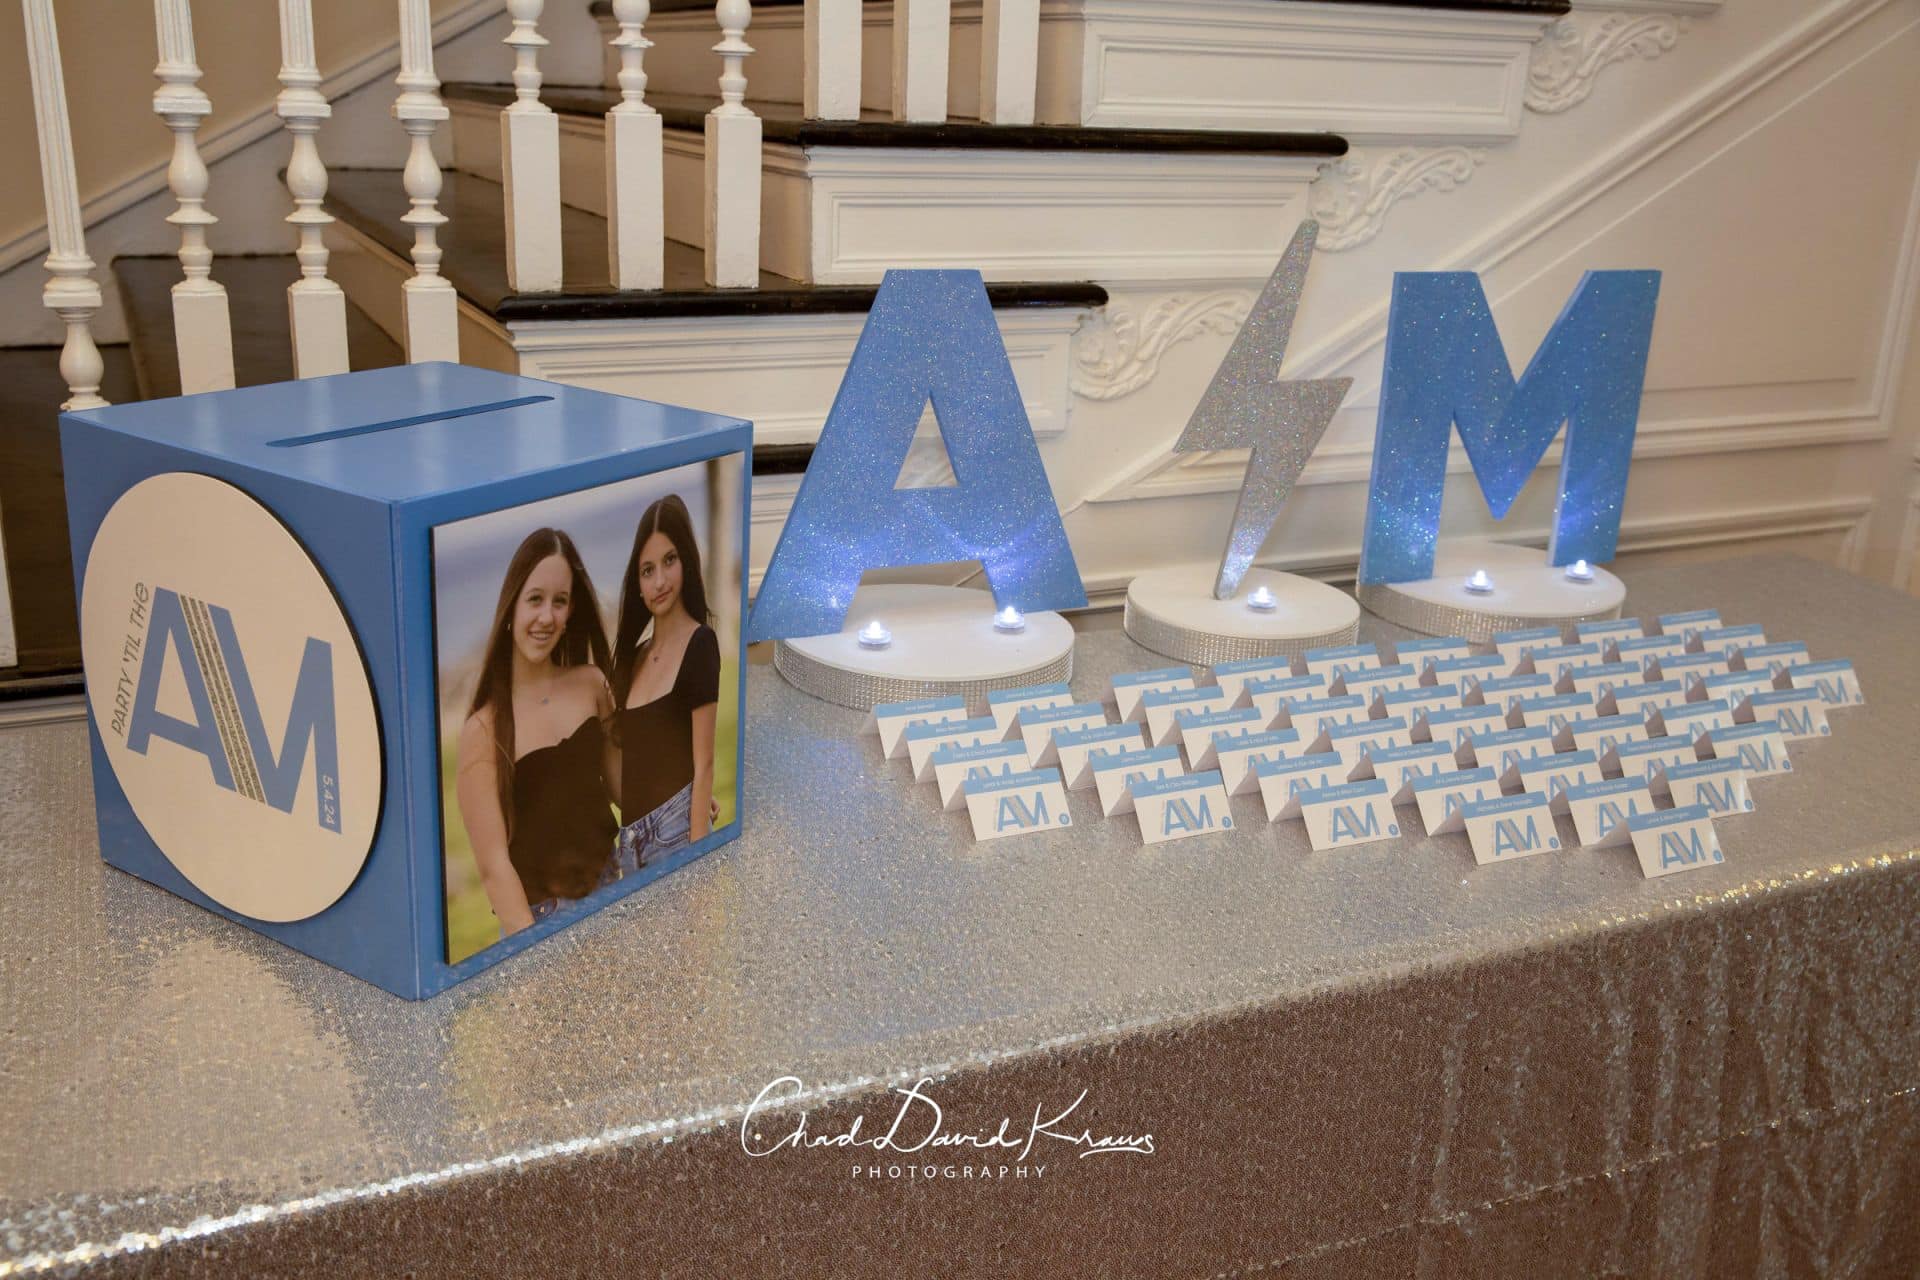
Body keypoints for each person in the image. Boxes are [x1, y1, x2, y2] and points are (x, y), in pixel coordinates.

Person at [456, 528, 618, 938]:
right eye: (535, 599)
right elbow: (494, 869)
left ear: (570, 613)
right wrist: (538, 955)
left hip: (616, 889)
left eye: (559, 602)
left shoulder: (592, 685)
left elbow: (627, 790)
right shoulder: (483, 730)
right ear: (511, 607)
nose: (546, 616)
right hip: (542, 923)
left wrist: (687, 795)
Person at [611, 494, 720, 874]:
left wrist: (698, 869)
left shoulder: (700, 642)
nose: (659, 581)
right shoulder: (633, 658)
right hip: (628, 848)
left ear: (686, 562)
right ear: (637, 583)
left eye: (669, 561)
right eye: (647, 570)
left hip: (674, 840)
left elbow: (704, 765)